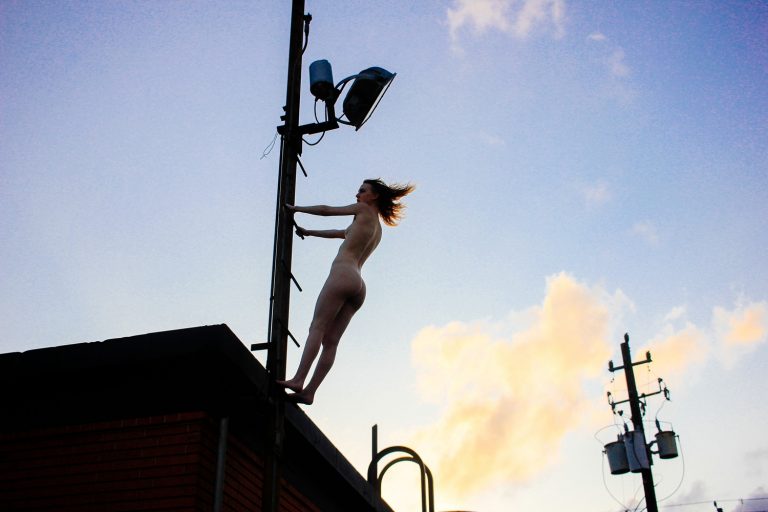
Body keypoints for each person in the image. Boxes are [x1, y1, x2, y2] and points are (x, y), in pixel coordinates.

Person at [276, 178, 414, 404]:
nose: (357, 195)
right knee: (331, 342)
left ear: (374, 196)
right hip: (359, 286)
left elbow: (327, 210)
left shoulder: (362, 210)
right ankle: (309, 392)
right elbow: (340, 232)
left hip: (343, 274)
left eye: (362, 190)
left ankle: (299, 379)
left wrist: (296, 208)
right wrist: (309, 232)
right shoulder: (377, 229)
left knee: (317, 327)